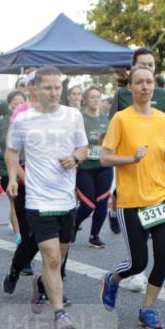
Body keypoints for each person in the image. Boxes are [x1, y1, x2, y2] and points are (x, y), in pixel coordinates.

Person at [5, 66, 88, 329]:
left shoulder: (73, 116)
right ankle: (59, 314)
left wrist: (75, 158)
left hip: (66, 198)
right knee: (51, 256)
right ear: (35, 89)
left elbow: (83, 147)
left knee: (59, 257)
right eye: (48, 88)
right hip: (38, 198)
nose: (54, 93)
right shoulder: (23, 120)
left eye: (57, 87)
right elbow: (12, 151)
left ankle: (42, 281)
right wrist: (14, 178)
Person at [98, 67, 165, 329]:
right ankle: (112, 280)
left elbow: (163, 157)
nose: (145, 87)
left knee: (163, 257)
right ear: (130, 88)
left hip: (159, 197)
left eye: (149, 82)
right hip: (131, 200)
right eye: (139, 83)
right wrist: (131, 158)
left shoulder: (164, 120)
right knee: (138, 262)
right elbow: (105, 157)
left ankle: (148, 308)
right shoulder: (121, 119)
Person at [73, 86, 112, 248]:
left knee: (102, 203)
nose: (96, 100)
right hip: (85, 167)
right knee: (88, 205)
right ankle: (73, 225)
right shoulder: (79, 118)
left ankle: (94, 235)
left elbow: (111, 142)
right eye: (92, 97)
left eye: (98, 97)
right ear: (85, 100)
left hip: (103, 166)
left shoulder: (106, 119)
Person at [0, 90, 26, 246]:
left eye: (21, 102)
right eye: (15, 102)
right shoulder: (2, 123)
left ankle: (25, 231)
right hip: (7, 168)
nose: (18, 105)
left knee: (25, 203)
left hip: (28, 167)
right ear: (9, 105)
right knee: (14, 201)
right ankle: (19, 235)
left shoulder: (32, 120)